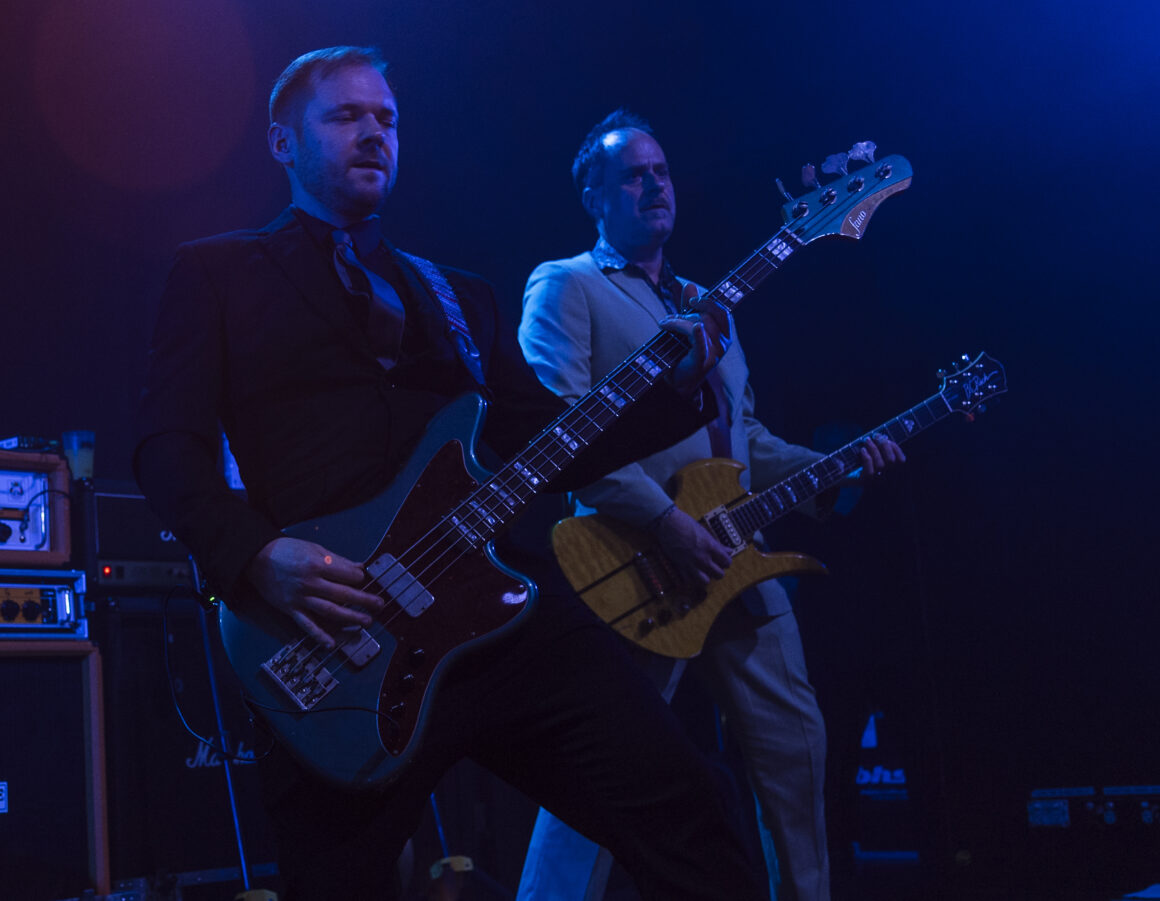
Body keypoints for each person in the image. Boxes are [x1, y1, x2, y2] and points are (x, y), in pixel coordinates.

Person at [134, 48, 767, 901]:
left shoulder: (457, 295)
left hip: (499, 614)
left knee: (692, 806)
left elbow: (550, 438)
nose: (374, 132)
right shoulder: (216, 272)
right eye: (347, 116)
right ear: (283, 143)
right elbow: (167, 448)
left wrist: (675, 386)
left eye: (387, 119)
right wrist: (256, 557)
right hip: (338, 633)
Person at [515, 110, 905, 901]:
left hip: (738, 561)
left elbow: (743, 439)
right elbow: (556, 433)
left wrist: (830, 466)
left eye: (661, 171)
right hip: (633, 566)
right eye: (633, 174)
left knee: (799, 760)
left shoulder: (707, 301)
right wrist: (666, 523)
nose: (654, 184)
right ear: (595, 195)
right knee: (602, 776)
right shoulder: (568, 284)